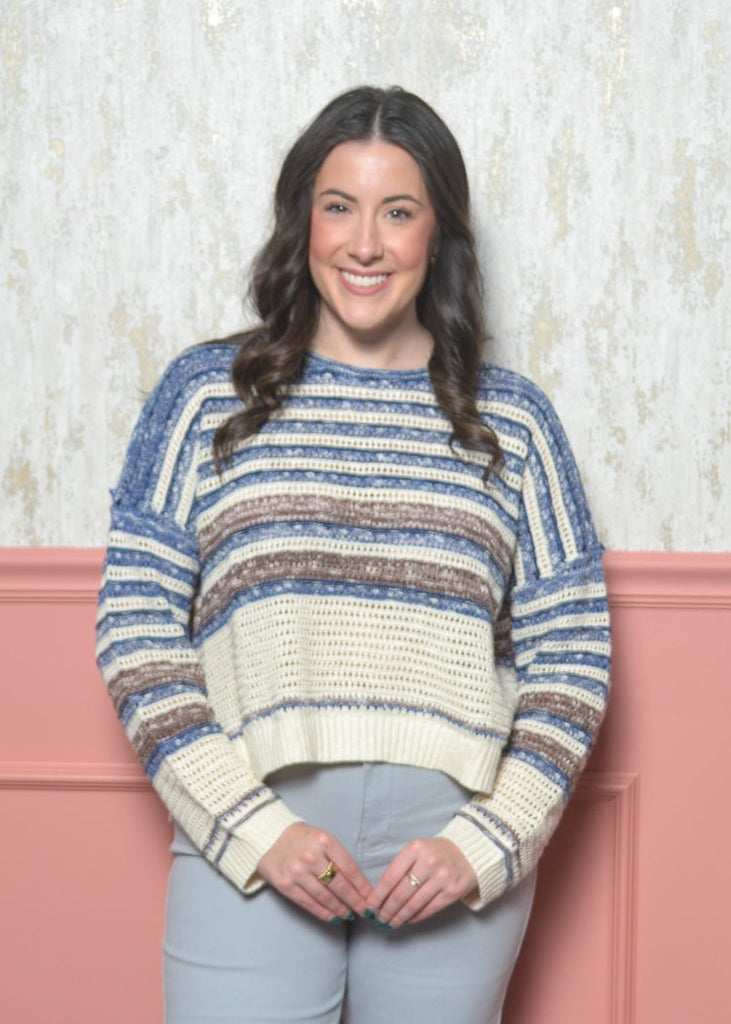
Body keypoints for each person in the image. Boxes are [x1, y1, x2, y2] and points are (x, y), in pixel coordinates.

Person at [96, 85, 610, 1024]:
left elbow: (571, 660)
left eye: (397, 212)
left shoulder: (515, 423)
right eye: (338, 207)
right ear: (303, 224)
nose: (364, 243)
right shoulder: (206, 396)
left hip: (448, 853)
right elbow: (135, 629)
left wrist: (488, 840)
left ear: (436, 235)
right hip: (252, 834)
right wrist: (253, 827)